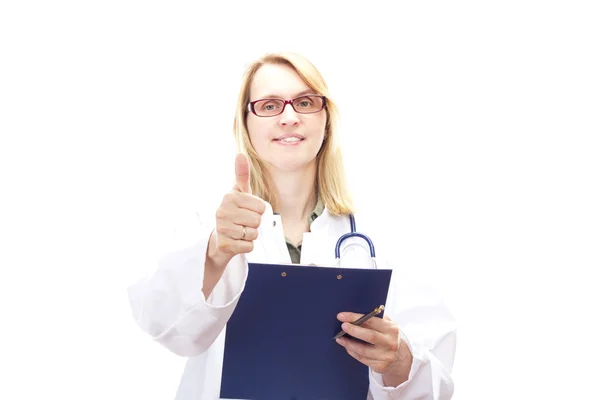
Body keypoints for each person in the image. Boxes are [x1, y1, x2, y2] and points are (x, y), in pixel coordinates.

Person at [128, 51, 457, 399]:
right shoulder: (206, 222)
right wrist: (214, 253)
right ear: (246, 123)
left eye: (304, 102)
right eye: (269, 106)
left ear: (326, 119)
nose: (288, 117)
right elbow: (166, 329)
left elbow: (436, 385)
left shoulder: (383, 235)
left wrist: (398, 360)